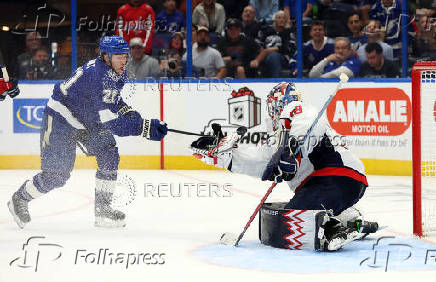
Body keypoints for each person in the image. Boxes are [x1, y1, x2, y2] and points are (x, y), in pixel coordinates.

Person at [7, 35, 168, 229]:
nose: (123, 61)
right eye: (118, 56)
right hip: (61, 119)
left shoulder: (117, 72)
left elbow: (113, 100)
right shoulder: (95, 75)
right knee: (57, 175)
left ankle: (103, 210)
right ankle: (20, 199)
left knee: (108, 152)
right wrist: (144, 127)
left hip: (87, 120)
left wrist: (128, 111)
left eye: (125, 56)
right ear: (105, 56)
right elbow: (111, 123)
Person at [191, 82, 373, 251]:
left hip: (336, 177)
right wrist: (228, 156)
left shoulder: (298, 112)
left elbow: (307, 123)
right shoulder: (280, 136)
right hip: (335, 184)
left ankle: (334, 228)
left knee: (293, 222)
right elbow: (262, 161)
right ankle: (348, 218)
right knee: (285, 220)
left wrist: (292, 149)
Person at [255, 10, 296, 78]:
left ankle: (275, 82)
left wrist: (268, 51)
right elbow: (258, 43)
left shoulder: (289, 32)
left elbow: (288, 48)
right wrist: (262, 51)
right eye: (279, 18)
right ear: (275, 20)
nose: (281, 20)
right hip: (263, 55)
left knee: (274, 56)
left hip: (282, 58)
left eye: (283, 18)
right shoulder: (266, 30)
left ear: (286, 20)